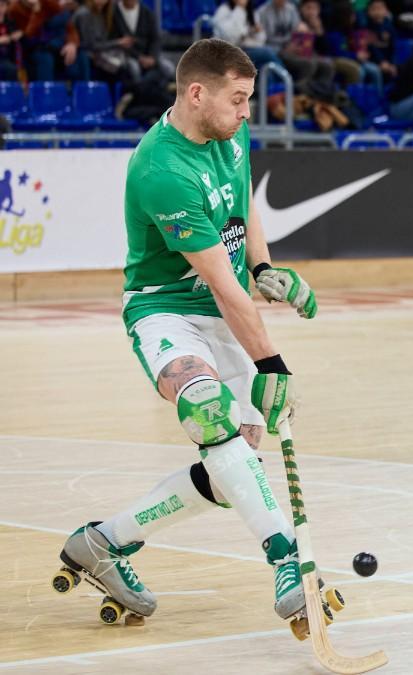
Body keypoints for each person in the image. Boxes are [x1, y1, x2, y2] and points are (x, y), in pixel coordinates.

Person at [55, 38, 320, 628]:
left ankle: (102, 543)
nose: (247, 112)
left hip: (222, 308)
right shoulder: (162, 170)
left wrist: (264, 266)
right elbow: (222, 288)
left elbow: (242, 197)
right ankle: (287, 558)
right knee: (207, 409)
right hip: (167, 310)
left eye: (249, 99)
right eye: (239, 99)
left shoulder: (230, 133)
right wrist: (272, 364)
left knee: (232, 474)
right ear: (197, 94)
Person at [212, 0, 281, 74]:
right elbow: (232, 39)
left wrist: (257, 33)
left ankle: (281, 79)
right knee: (268, 52)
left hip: (246, 49)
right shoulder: (223, 11)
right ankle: (286, 78)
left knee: (266, 66)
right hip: (227, 52)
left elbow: (261, 40)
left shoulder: (251, 12)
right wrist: (240, 8)